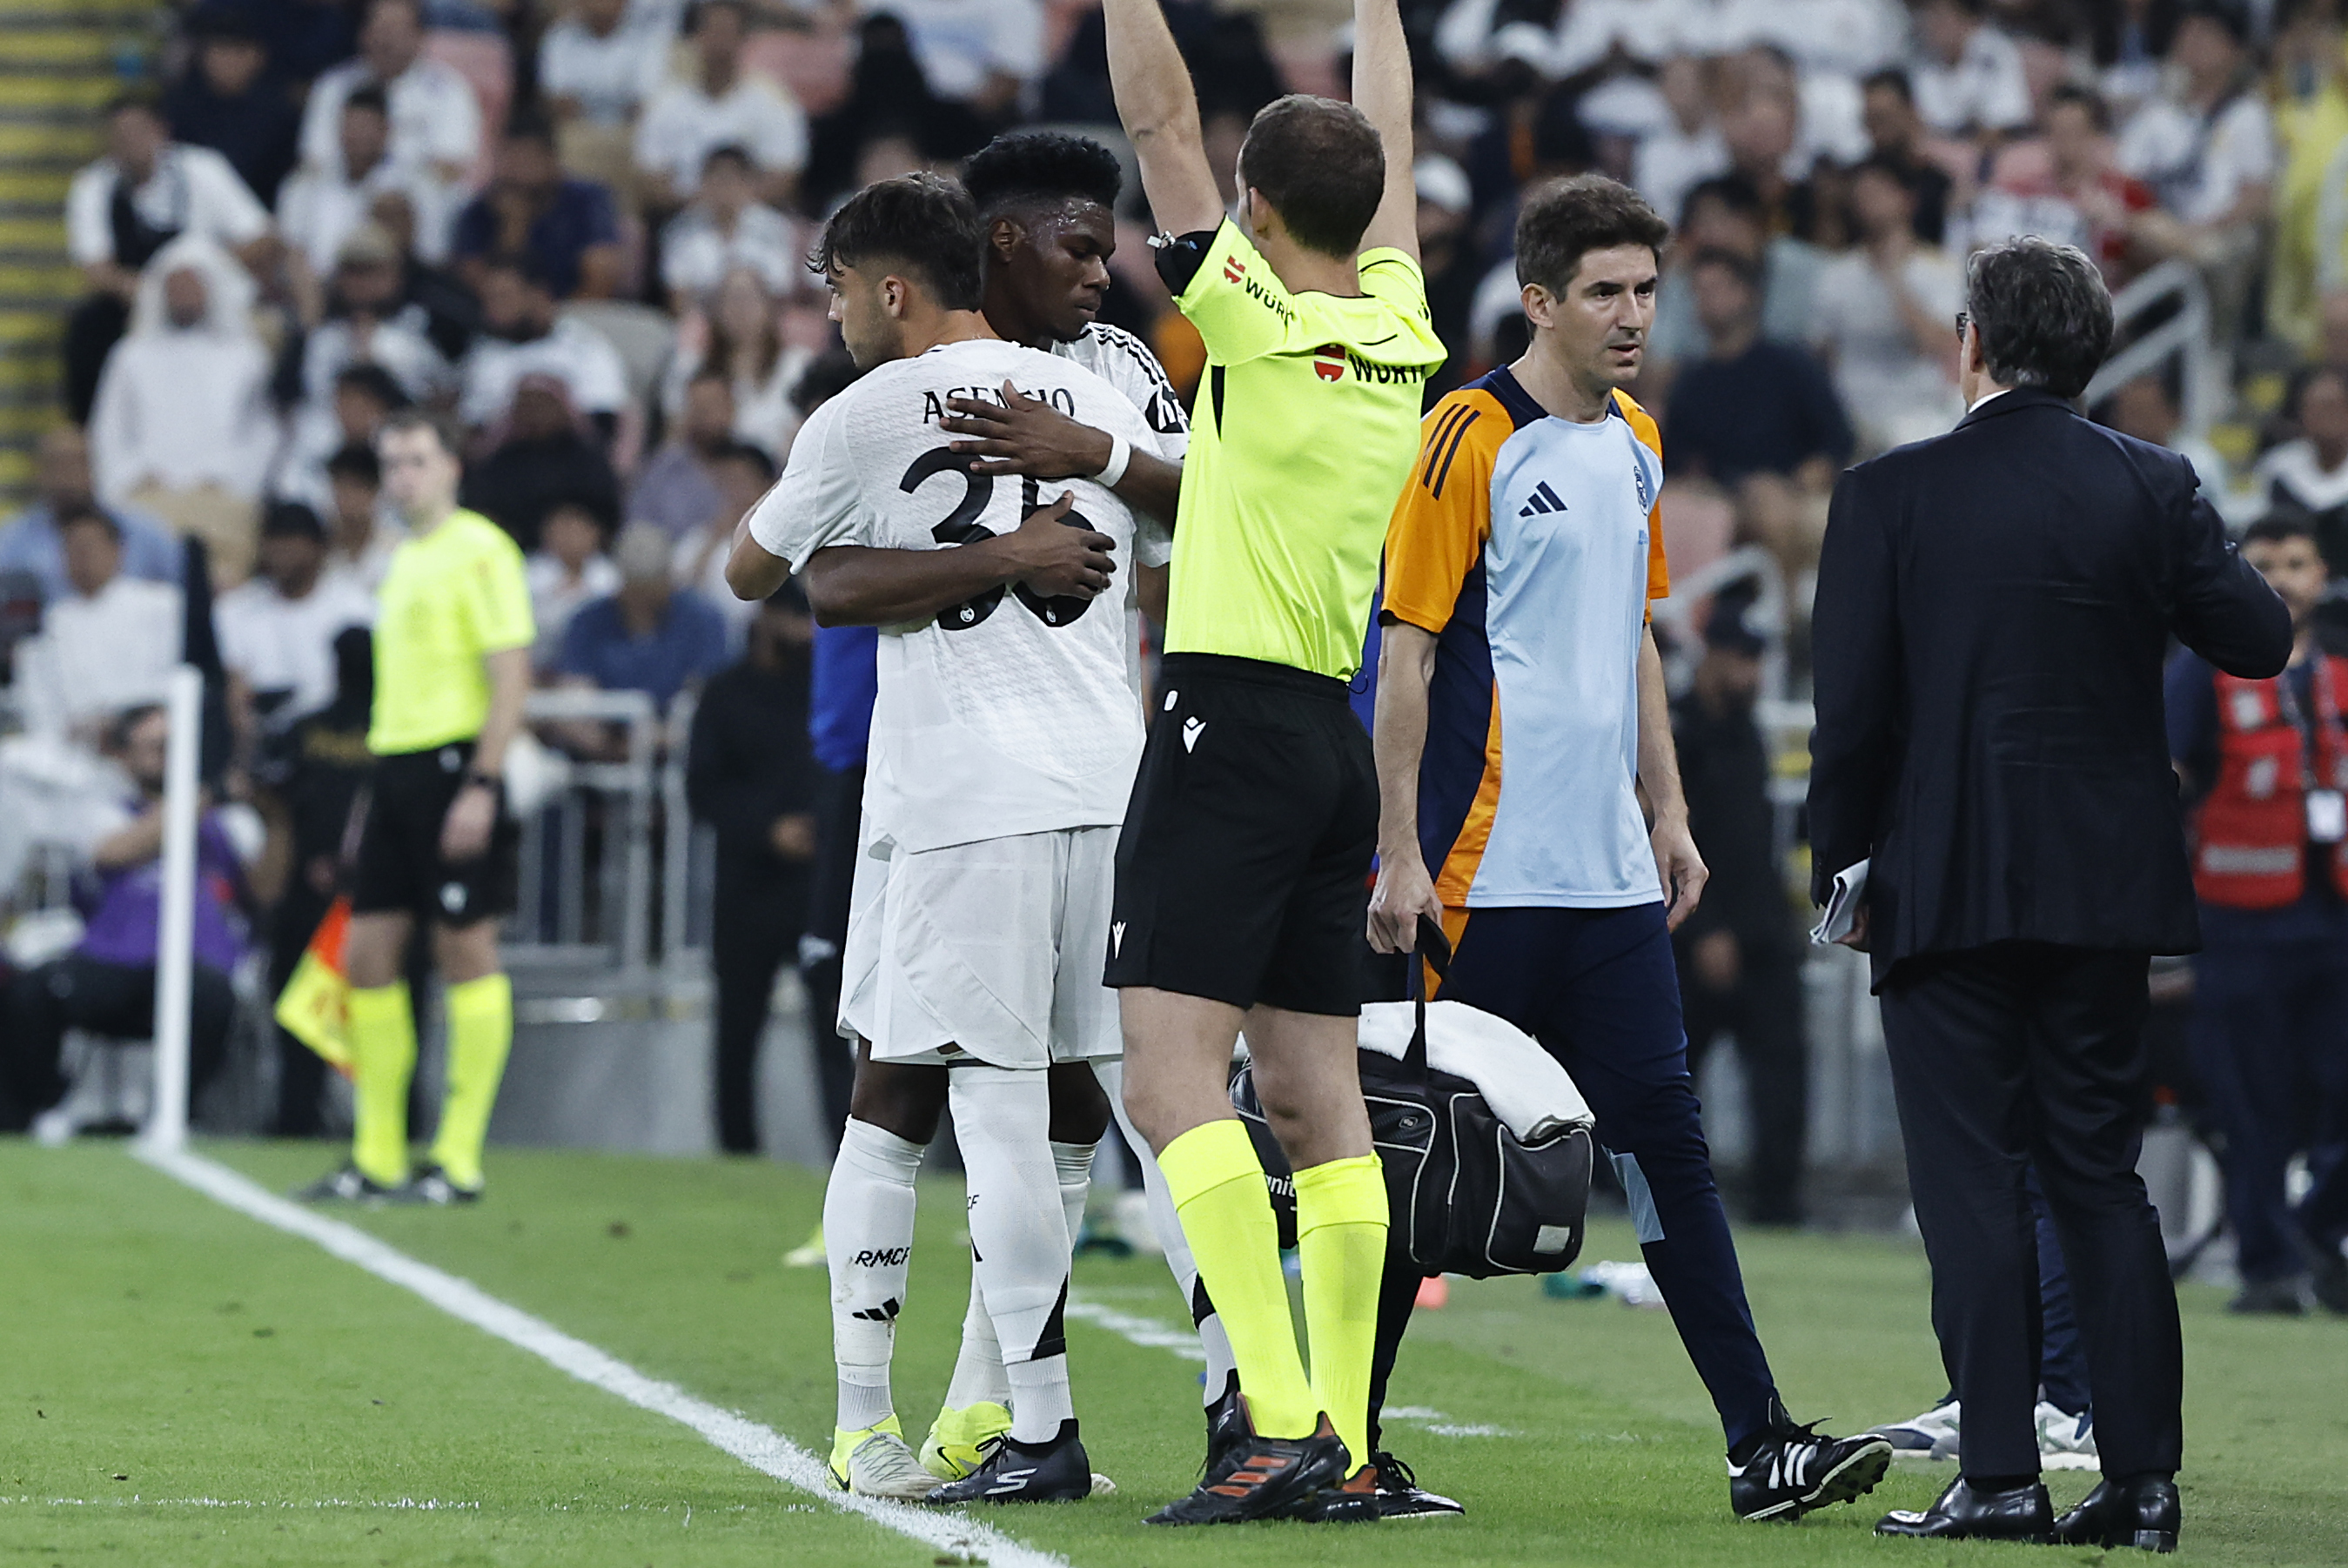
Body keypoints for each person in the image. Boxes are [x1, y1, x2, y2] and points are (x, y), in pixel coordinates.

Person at [1370, 172, 1888, 1525]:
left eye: (1645, 290)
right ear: (1536, 299)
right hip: (1478, 879)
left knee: (1669, 1152)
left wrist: (1667, 813)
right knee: (1416, 1162)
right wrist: (1395, 853)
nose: (1631, 315)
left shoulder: (1640, 442)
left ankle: (1759, 1439)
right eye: (1602, 290)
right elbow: (1406, 658)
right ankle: (1336, 1438)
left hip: (1603, 881)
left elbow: (1637, 648)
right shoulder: (1463, 436)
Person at [1808, 236, 2291, 1546]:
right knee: (2100, 1177)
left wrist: (1834, 879)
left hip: (1941, 879)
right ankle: (2139, 1486)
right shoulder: (2152, 482)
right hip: (2102, 887)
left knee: (1969, 1184)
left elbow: (1846, 721)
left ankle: (2002, 1475)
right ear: (2095, 353)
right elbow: (2259, 635)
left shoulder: (1889, 493)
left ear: (1966, 343)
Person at [725, 173, 1157, 1504]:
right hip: (1114, 786)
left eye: (842, 290)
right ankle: (1013, 1406)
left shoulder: (857, 416)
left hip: (966, 800)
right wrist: (1021, 548)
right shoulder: (1091, 400)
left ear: (892, 286)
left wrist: (959, 556)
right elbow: (1176, 516)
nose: (840, 315)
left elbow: (751, 572)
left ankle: (933, 1421)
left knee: (940, 1095)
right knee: (1102, 1104)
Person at [1097, 0, 1446, 1525]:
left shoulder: (1247, 311)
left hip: (1227, 718)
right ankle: (1351, 1441)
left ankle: (1281, 1421)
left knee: (1168, 1081)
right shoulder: (1400, 327)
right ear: (1371, 218)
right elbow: (1399, 145)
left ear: (1250, 210)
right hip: (1326, 733)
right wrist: (1375, 7)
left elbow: (1159, 126)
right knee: (1319, 1104)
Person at [911, 126, 1200, 1487]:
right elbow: (813, 565)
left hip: (1071, 776)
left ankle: (1063, 1419)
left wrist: (1083, 448)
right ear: (1004, 243)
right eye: (1082, 245)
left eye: (1113, 240)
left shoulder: (1122, 368)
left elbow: (1198, 510)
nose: (1110, 267)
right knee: (1067, 1104)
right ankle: (997, 1406)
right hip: (964, 773)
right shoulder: (921, 375)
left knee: (1083, 1097)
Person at [300, 409, 533, 1206]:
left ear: (450, 468)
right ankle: (378, 1156)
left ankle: (457, 1159)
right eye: (392, 463)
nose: (403, 476)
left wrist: (482, 782)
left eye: (417, 461)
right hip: (396, 770)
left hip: (453, 765)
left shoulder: (481, 551)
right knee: (367, 958)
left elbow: (511, 674)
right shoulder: (401, 560)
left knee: (466, 953)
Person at [2165, 514, 2348, 1316]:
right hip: (2241, 921)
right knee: (2253, 1103)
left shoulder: (2342, 670)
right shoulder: (2201, 672)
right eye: (2264, 561)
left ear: (2322, 575)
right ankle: (2269, 1266)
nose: (2282, 576)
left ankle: (2314, 1229)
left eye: (2297, 562)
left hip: (2336, 916)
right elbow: (2164, 782)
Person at [0, 706, 245, 1133]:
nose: (171, 756)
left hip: (197, 963)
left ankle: (176, 1114)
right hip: (114, 958)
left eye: (178, 747)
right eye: (158, 747)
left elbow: (263, 886)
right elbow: (114, 851)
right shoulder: (103, 808)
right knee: (30, 996)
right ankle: (43, 1110)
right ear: (126, 753)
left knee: (214, 997)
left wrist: (275, 811)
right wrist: (200, 793)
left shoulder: (224, 822)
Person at [1673, 598, 1808, 1226]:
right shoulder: (1680, 734)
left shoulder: (1747, 731)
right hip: (1702, 929)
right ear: (1714, 657)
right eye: (1741, 660)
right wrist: (1706, 927)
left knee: (1782, 1072)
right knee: (1672, 1072)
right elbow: (1674, 836)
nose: (1751, 675)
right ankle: (1635, 1188)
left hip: (1761, 930)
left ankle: (1777, 1201)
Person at [685, 586, 821, 1154]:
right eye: (792, 617)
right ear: (764, 617)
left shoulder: (825, 689)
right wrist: (767, 830)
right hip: (747, 884)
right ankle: (736, 1149)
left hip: (816, 882)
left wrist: (819, 828)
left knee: (836, 1029)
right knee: (737, 1027)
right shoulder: (725, 692)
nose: (803, 633)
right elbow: (703, 790)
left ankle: (849, 1148)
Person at [64, 94, 275, 422]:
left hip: (211, 298)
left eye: (136, 131)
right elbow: (96, 268)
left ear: (160, 130)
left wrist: (205, 271)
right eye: (119, 135)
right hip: (134, 300)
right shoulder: (93, 185)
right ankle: (91, 427)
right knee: (88, 329)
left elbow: (260, 237)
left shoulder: (202, 169)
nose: (128, 142)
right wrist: (150, 292)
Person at [87, 239, 278, 585]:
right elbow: (108, 430)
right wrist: (132, 475)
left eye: (192, 284)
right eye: (175, 286)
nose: (184, 294)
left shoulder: (245, 356)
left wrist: (228, 479)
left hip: (221, 498)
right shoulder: (130, 356)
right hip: (146, 496)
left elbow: (262, 432)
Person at [256, 626, 377, 1136]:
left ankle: (299, 1113)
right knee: (382, 1003)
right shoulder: (394, 729)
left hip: (317, 888)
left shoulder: (304, 729)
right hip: (372, 892)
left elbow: (271, 792)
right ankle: (388, 1119)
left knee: (306, 1006)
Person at [1810, 157, 1965, 452]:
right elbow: (1822, 353)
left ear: (1907, 200)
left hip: (1920, 412)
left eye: (1879, 192)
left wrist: (1894, 279)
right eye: (1862, 195)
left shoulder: (1943, 270)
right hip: (1854, 415)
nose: (1870, 203)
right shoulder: (1836, 275)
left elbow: (1937, 345)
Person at [1665, 247, 1853, 487]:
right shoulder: (1691, 382)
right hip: (1719, 496)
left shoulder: (1790, 364)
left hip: (1790, 490)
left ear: (1746, 293)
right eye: (1698, 291)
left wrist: (1809, 475)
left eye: (1715, 289)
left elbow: (1837, 437)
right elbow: (1677, 458)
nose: (1705, 300)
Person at [277, 83, 453, 315]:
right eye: (350, 126)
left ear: (386, 130)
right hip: (314, 296)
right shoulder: (305, 184)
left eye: (366, 127)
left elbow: (432, 255)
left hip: (392, 297)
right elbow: (289, 251)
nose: (357, 136)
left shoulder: (416, 185)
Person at [10, 506, 184, 741]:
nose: (81, 557)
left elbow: (178, 682)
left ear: (117, 550)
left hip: (148, 736)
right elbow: (38, 710)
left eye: (88, 547)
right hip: (76, 749)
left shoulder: (163, 606)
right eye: (71, 549)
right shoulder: (48, 625)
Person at [215, 501, 378, 742]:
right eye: (273, 541)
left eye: (291, 542)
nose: (280, 552)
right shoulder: (236, 609)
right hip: (269, 732)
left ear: (319, 547)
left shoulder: (355, 606)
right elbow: (236, 690)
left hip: (339, 735)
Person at [633, 0, 808, 211]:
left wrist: (732, 204)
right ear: (696, 37)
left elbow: (785, 174)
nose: (719, 42)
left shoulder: (772, 100)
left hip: (753, 217)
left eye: (727, 32)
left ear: (743, 39)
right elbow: (651, 176)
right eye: (712, 31)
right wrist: (701, 204)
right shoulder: (666, 103)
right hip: (685, 217)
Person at [297, 0, 483, 190]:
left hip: (413, 206)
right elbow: (315, 161)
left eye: (397, 30)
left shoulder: (449, 91)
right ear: (364, 33)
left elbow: (449, 168)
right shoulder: (333, 87)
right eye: (379, 28)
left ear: (420, 36)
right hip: (343, 199)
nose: (386, 40)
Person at [554, 522, 729, 714]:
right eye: (636, 586)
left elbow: (707, 689)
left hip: (682, 732)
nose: (643, 597)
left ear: (668, 578)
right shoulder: (587, 622)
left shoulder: (702, 619)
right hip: (608, 732)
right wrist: (603, 740)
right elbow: (575, 691)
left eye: (651, 585)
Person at [0, 425, 182, 606]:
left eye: (75, 465)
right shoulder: (13, 540)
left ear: (93, 468)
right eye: (56, 466)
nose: (66, 478)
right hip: (48, 631)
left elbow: (188, 586)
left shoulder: (142, 531)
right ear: (40, 473)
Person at [450, 116, 623, 303]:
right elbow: (471, 282)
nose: (518, 172)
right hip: (501, 321)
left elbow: (602, 272)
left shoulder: (587, 199)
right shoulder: (479, 210)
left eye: (528, 160)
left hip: (576, 312)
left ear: (551, 159)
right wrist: (513, 230)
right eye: (511, 159)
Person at [458, 255, 630, 436]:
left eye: (503, 297)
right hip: (503, 458)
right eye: (488, 300)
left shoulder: (584, 346)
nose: (492, 311)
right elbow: (473, 427)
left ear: (539, 295)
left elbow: (604, 421)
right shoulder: (484, 352)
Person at [460, 374, 623, 553]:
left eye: (543, 404)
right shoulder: (500, 460)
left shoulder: (586, 458)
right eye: (527, 405)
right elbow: (480, 509)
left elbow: (606, 511)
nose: (536, 412)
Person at [164, 7, 301, 206]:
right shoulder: (178, 107)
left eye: (237, 52)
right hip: (194, 209)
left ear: (257, 57)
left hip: (263, 210)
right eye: (219, 51)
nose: (227, 61)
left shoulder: (281, 112)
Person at [660, 144, 804, 308]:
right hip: (701, 323)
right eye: (716, 179)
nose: (724, 188)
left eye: (732, 179)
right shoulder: (680, 230)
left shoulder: (775, 228)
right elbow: (678, 295)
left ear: (750, 184)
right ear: (703, 183)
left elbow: (780, 291)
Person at [630, 370, 735, 540]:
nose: (706, 416)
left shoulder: (757, 467)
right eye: (699, 407)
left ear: (731, 407)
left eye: (714, 405)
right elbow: (638, 526)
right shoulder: (663, 470)